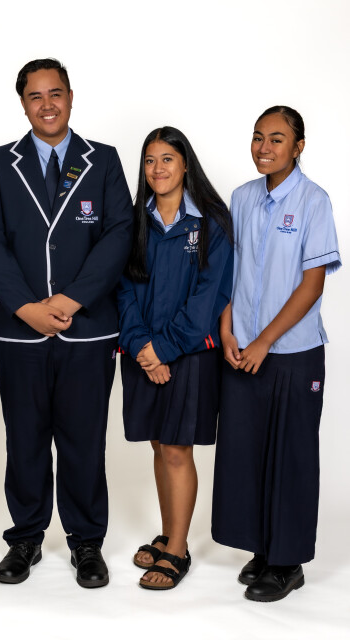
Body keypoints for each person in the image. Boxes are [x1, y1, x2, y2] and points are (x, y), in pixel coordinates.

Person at [0, 58, 132, 589]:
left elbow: (118, 234)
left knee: (84, 439)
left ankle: (86, 542)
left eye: (55, 93)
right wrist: (26, 307)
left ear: (70, 96)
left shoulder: (102, 160)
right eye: (35, 96)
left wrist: (70, 298)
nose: (47, 104)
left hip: (88, 329)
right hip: (19, 332)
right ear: (23, 104)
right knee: (25, 438)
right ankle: (26, 537)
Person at [212, 106, 341, 602]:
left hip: (291, 352)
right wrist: (227, 330)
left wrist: (265, 340)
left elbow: (312, 285)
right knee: (246, 451)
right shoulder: (242, 197)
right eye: (258, 137)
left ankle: (288, 563)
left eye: (277, 139)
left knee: (291, 455)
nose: (264, 147)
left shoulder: (313, 201)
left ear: (298, 146)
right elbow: (228, 270)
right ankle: (263, 548)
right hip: (241, 350)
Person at [117, 126, 233, 590]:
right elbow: (122, 288)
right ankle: (169, 533)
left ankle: (178, 550)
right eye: (149, 160)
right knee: (157, 444)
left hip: (187, 354)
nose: (157, 168)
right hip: (141, 351)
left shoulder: (211, 222)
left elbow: (209, 298)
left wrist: (161, 350)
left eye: (167, 159)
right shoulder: (133, 221)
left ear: (186, 164)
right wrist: (141, 346)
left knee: (177, 449)